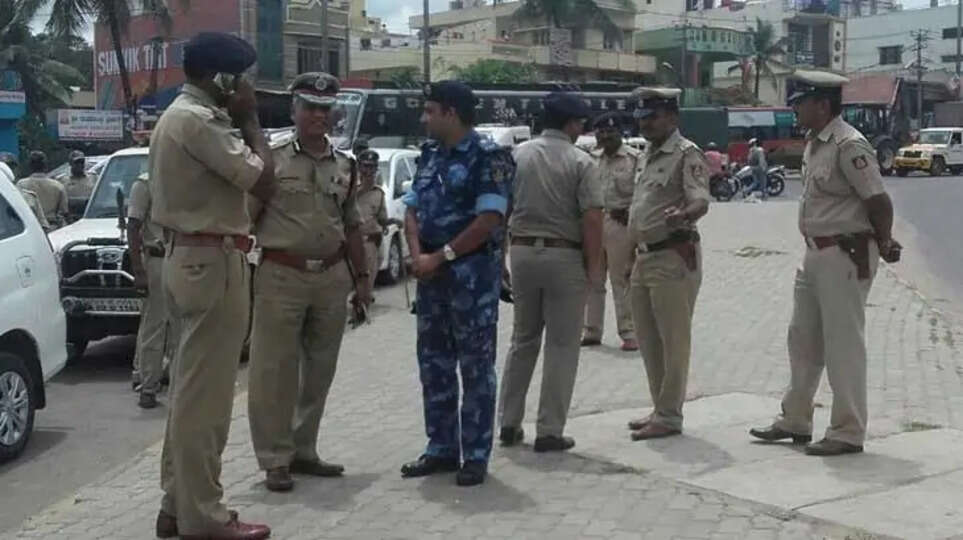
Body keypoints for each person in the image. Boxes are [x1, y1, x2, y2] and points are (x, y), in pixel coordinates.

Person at [149, 32, 276, 540]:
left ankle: (177, 505)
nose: (249, 86)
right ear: (223, 79)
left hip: (193, 259)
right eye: (243, 77)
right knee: (208, 399)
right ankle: (205, 516)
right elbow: (263, 180)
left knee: (189, 392)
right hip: (212, 261)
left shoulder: (183, 117)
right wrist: (251, 122)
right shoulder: (199, 122)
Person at [750, 69, 899, 456]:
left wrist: (883, 241)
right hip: (815, 253)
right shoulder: (817, 142)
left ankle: (848, 431)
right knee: (803, 339)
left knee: (842, 344)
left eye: (800, 103)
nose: (795, 109)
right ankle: (795, 419)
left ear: (822, 104)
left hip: (845, 253)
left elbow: (878, 200)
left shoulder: (850, 144)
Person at [247, 72, 372, 493]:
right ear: (294, 110)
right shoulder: (272, 160)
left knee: (320, 370)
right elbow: (246, 217)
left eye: (325, 108)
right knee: (274, 372)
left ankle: (304, 449)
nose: (318, 115)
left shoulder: (346, 165)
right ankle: (274, 459)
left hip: (332, 277)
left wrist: (364, 280)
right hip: (281, 274)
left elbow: (351, 224)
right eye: (310, 107)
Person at [400, 81, 514, 487]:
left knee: (476, 369)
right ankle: (441, 449)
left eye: (430, 110)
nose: (424, 118)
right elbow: (411, 208)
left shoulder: (489, 157)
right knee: (434, 366)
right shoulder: (430, 154)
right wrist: (417, 255)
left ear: (451, 113)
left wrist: (440, 256)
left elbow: (489, 221)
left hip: (470, 279)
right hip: (431, 277)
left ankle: (476, 454)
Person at [498, 92, 603, 453]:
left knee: (522, 340)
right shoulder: (581, 162)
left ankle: (508, 424)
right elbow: (592, 219)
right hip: (564, 256)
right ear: (572, 123)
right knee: (561, 345)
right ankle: (549, 430)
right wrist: (593, 270)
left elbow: (502, 210)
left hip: (522, 252)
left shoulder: (518, 154)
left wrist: (501, 260)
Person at [625, 87, 710, 441]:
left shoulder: (686, 154)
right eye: (642, 118)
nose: (646, 123)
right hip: (644, 256)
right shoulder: (646, 154)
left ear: (673, 117)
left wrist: (684, 215)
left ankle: (670, 414)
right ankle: (660, 407)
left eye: (653, 117)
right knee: (648, 338)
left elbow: (700, 200)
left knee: (673, 339)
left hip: (673, 255)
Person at [582, 112, 639, 351]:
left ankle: (629, 332)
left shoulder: (634, 159)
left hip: (619, 224)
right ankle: (592, 331)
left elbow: (642, 192)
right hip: (595, 223)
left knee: (621, 279)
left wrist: (633, 215)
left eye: (610, 132)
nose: (605, 136)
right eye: (601, 131)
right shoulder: (591, 159)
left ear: (621, 134)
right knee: (593, 279)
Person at [128, 172, 175, 410]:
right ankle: (148, 387)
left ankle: (177, 386)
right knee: (154, 326)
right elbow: (133, 227)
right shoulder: (145, 183)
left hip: (182, 258)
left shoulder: (182, 177)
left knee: (179, 328)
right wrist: (138, 270)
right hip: (157, 260)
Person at [16, 151, 68, 230]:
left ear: (30, 166)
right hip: (53, 228)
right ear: (45, 166)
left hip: (30, 228)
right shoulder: (58, 186)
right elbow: (64, 211)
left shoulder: (21, 185)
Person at [63, 150, 95, 218]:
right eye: (77, 162)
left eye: (82, 162)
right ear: (71, 163)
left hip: (89, 215)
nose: (80, 165)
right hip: (70, 216)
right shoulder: (63, 180)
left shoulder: (93, 178)